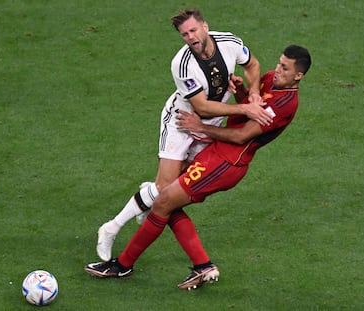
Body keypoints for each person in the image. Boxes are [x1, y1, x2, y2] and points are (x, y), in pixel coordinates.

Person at [85, 45, 312, 290]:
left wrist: (200, 126)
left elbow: (241, 136)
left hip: (225, 163)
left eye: (285, 68)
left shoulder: (286, 103)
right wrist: (241, 92)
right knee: (166, 199)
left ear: (298, 75)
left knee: (163, 201)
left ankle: (122, 265)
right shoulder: (270, 79)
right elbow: (248, 109)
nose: (277, 70)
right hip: (216, 152)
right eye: (279, 63)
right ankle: (202, 266)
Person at [95, 8, 273, 262]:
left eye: (193, 30)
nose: (190, 37)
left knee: (177, 187)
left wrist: (253, 91)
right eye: (184, 34)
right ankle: (111, 228)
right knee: (166, 189)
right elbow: (201, 106)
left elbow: (253, 64)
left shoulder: (230, 43)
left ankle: (149, 196)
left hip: (211, 126)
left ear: (205, 26)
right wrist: (245, 107)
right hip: (181, 121)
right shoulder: (182, 64)